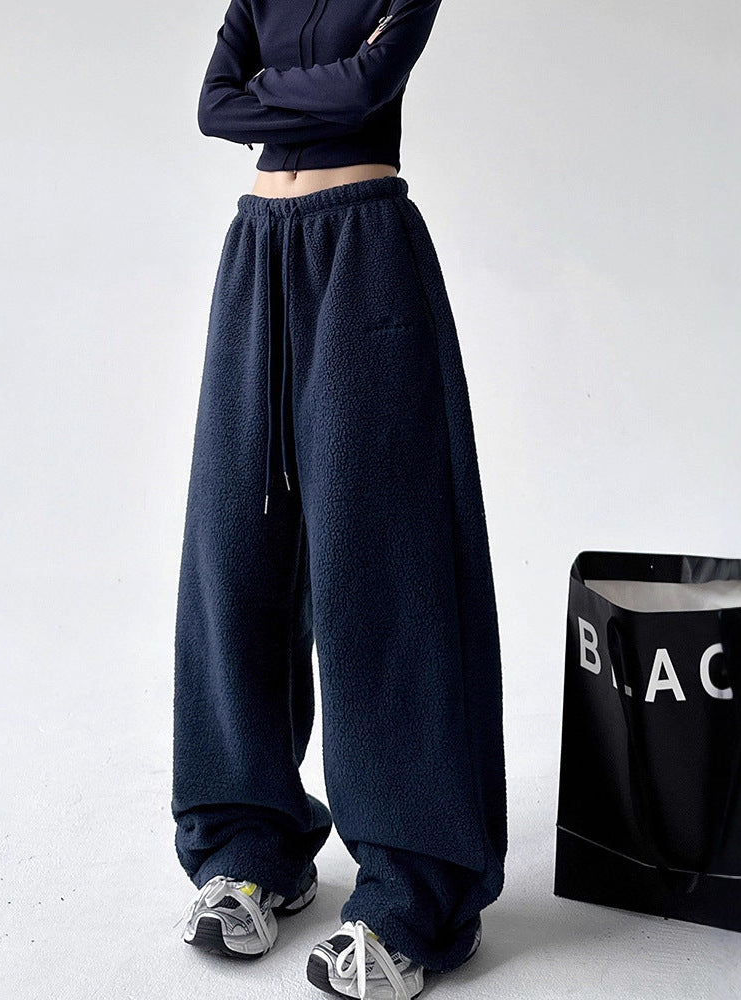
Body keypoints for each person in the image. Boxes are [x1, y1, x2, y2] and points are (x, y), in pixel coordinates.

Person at [171, 2, 508, 997]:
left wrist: (270, 95)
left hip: (365, 250)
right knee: (234, 556)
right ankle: (249, 846)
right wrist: (321, 90)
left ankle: (411, 893)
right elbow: (212, 106)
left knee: (383, 569)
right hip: (255, 251)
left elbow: (367, 88)